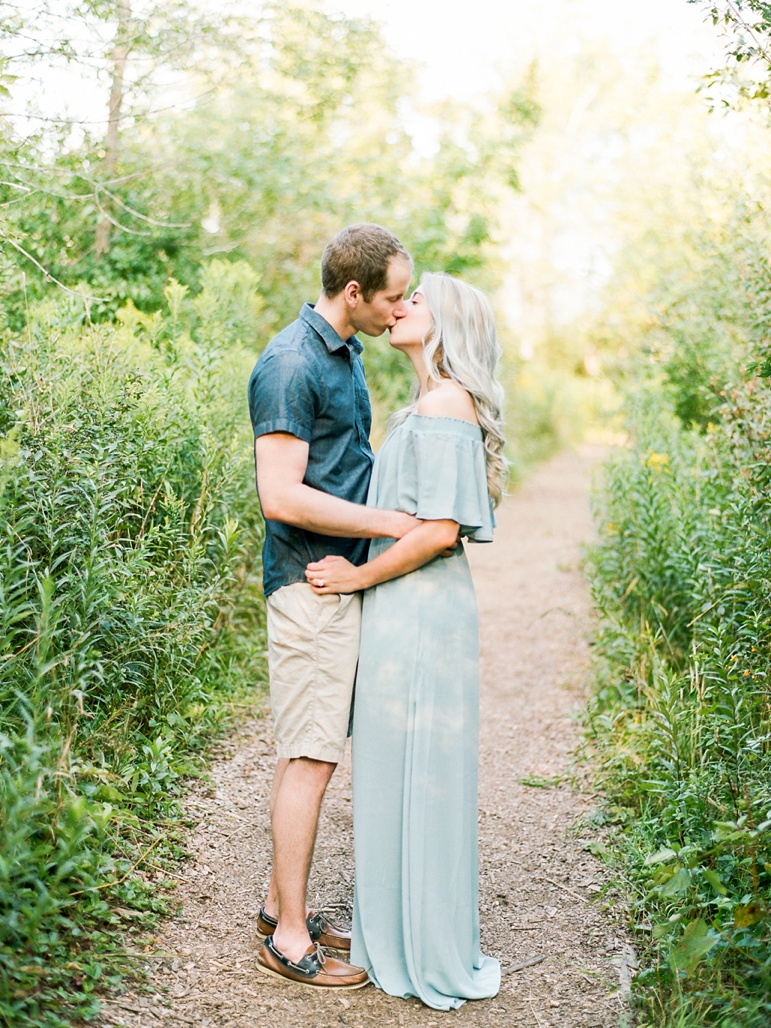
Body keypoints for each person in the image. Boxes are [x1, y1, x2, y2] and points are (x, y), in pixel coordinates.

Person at [304, 272, 506, 1009]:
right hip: (399, 609)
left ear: (444, 321)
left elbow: (439, 532)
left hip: (424, 613)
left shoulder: (448, 401)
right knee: (393, 769)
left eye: (414, 300)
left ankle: (424, 946)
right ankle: (392, 930)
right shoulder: (421, 404)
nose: (399, 307)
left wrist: (352, 581)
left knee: (422, 771)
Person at [247, 224, 417, 990]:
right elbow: (279, 494)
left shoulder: (344, 353)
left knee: (310, 751)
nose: (400, 307)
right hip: (306, 582)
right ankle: (287, 937)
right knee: (310, 758)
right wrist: (392, 527)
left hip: (340, 577)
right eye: (391, 297)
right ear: (353, 293)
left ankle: (281, 904)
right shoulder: (289, 364)